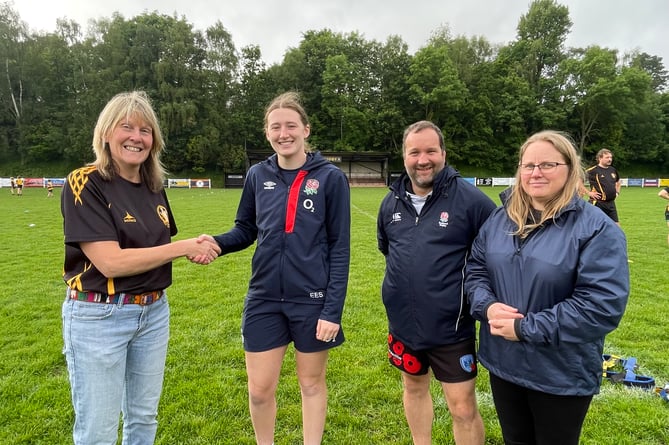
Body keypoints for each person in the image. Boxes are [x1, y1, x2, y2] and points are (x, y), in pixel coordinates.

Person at [61, 91, 221, 445]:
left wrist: (195, 248)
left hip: (152, 313)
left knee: (143, 417)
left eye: (145, 130)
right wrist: (183, 248)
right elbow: (110, 262)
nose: (137, 137)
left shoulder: (154, 187)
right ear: (106, 133)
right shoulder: (86, 182)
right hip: (98, 316)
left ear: (154, 140)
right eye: (127, 127)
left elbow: (158, 248)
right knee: (98, 431)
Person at [200, 91, 350, 445]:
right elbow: (246, 229)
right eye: (275, 127)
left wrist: (332, 310)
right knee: (259, 391)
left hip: (312, 300)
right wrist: (216, 244)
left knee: (311, 385)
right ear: (267, 132)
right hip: (264, 298)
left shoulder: (329, 178)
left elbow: (340, 248)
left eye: (291, 126)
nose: (284, 133)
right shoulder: (257, 175)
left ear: (306, 130)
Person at [465, 131, 630, 445]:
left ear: (569, 169)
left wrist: (525, 328)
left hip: (560, 372)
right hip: (504, 362)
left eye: (547, 164)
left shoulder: (597, 229)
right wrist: (486, 306)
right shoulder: (500, 219)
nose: (535, 172)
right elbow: (476, 271)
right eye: (528, 166)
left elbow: (600, 306)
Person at [377, 120, 495, 445]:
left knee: (462, 408)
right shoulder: (391, 203)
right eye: (414, 152)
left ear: (443, 153)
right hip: (403, 325)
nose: (423, 159)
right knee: (413, 389)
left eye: (431, 150)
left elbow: (497, 255)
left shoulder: (472, 202)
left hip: (451, 330)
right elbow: (389, 251)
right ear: (404, 157)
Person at [581, 148, 621, 225]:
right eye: (607, 157)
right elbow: (578, 181)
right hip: (598, 204)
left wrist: (617, 192)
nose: (610, 159)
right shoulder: (592, 171)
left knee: (617, 228)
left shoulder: (613, 170)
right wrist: (588, 193)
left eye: (611, 157)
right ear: (600, 158)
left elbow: (618, 182)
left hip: (611, 204)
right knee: (594, 227)